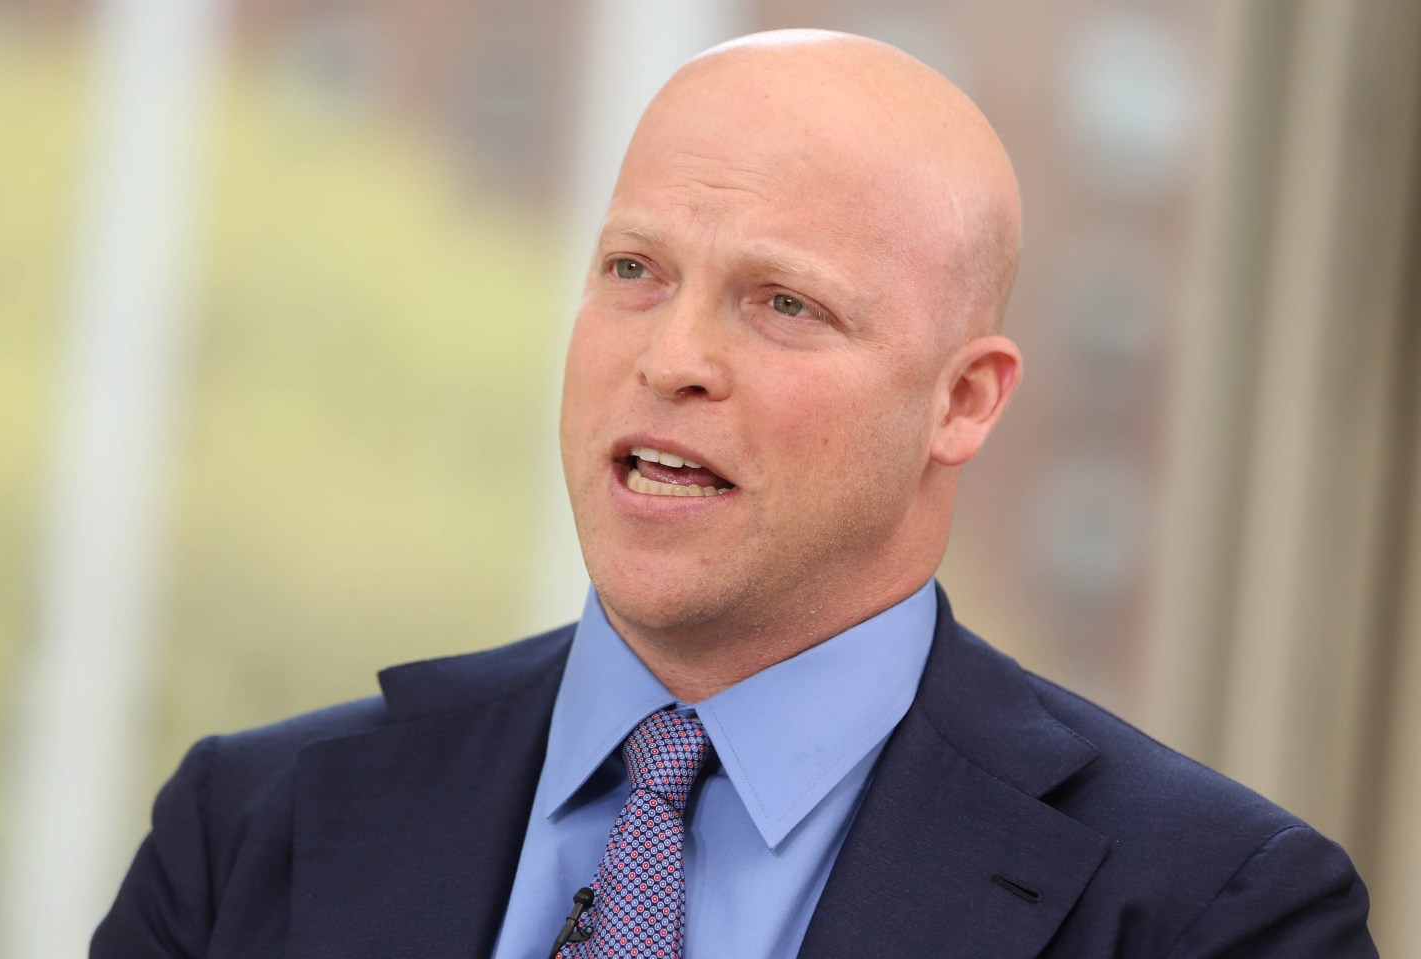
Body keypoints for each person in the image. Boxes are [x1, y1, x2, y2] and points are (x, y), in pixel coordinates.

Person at [92, 29, 1377, 959]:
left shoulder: (1218, 913)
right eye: (634, 270)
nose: (672, 359)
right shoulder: (247, 824)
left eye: (784, 303)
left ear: (963, 401)